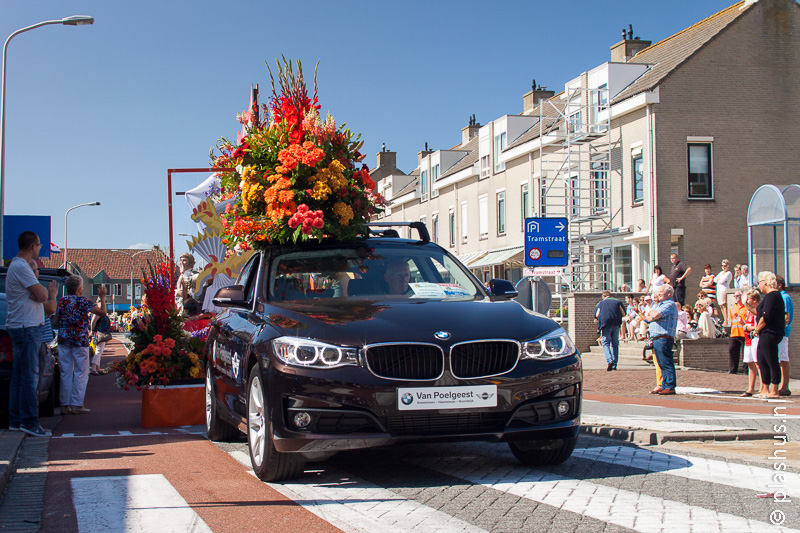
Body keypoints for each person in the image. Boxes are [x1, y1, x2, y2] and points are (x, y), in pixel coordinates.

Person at [8, 233, 58, 437]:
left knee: (20, 377)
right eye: (39, 246)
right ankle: (29, 421)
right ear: (32, 246)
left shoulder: (15, 266)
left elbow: (39, 297)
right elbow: (44, 296)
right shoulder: (22, 266)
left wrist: (36, 294)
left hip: (22, 325)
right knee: (29, 377)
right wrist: (39, 293)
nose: (39, 250)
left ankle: (17, 420)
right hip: (27, 326)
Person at [57, 275, 107, 414]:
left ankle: (64, 404)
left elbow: (55, 321)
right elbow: (102, 313)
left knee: (65, 371)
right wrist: (102, 297)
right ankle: (77, 404)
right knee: (81, 372)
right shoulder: (83, 302)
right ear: (79, 289)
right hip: (79, 339)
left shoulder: (61, 301)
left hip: (64, 339)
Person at [642, 284, 679, 395]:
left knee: (666, 362)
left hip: (664, 337)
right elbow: (648, 316)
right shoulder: (659, 304)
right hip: (656, 338)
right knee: (660, 363)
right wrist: (651, 315)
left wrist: (652, 316)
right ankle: (663, 384)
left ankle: (670, 386)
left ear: (668, 293)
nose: (658, 294)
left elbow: (654, 316)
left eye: (661, 292)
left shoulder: (670, 305)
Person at [753, 271, 784, 399]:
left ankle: (775, 389)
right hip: (764, 333)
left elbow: (766, 317)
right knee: (761, 359)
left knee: (771, 359)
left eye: (759, 282)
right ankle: (765, 388)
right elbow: (758, 312)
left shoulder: (773, 296)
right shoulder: (768, 297)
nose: (758, 285)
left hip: (770, 332)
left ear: (765, 282)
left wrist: (756, 330)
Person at [593, 291, 626, 371]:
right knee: (615, 344)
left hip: (606, 324)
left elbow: (596, 314)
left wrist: (596, 318)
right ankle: (614, 364)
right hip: (615, 324)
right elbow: (624, 313)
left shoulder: (601, 303)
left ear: (603, 296)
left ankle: (609, 360)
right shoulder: (618, 302)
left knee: (605, 343)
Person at [740, 289, 761, 397]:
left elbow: (759, 325)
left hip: (755, 338)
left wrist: (748, 327)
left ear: (755, 300)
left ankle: (763, 387)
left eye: (749, 299)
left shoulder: (757, 310)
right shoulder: (748, 311)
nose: (747, 301)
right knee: (750, 363)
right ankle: (751, 388)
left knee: (758, 363)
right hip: (748, 339)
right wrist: (743, 323)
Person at [776, 275, 793, 396]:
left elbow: (786, 317)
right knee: (779, 359)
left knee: (783, 358)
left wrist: (779, 328)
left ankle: (785, 386)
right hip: (778, 331)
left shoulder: (785, 297)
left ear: (780, 285)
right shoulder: (779, 297)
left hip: (782, 332)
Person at [728, 290, 747, 374]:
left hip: (743, 333)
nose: (736, 298)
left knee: (745, 353)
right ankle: (733, 369)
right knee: (732, 350)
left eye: (738, 296)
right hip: (734, 333)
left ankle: (746, 371)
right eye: (735, 296)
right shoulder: (732, 307)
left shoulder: (746, 307)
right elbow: (732, 320)